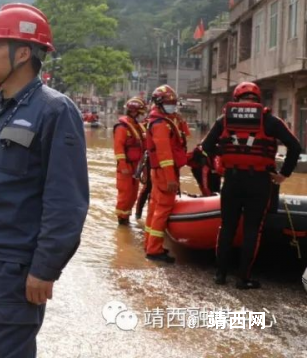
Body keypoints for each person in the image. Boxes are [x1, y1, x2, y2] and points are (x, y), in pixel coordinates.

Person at [0, 3, 89, 358]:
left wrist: (45, 269)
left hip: (12, 269)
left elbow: (67, 201)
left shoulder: (55, 111)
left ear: (24, 53)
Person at [201, 81, 302, 289]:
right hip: (259, 182)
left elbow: (207, 146)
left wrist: (226, 155)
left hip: (232, 180)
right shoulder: (270, 120)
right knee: (252, 230)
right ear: (258, 99)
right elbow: (295, 146)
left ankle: (220, 275)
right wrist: (284, 174)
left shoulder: (224, 119)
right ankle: (243, 279)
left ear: (236, 99)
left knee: (227, 227)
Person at [142, 84, 191, 263]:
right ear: (160, 103)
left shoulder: (165, 120)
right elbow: (164, 154)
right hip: (165, 173)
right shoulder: (160, 124)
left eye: (174, 102)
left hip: (159, 172)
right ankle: (154, 250)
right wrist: (171, 178)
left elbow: (185, 136)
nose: (172, 105)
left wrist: (179, 119)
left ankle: (149, 244)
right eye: (169, 102)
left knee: (154, 208)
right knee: (162, 210)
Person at [114, 97, 147, 225]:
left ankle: (127, 218)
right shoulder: (122, 127)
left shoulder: (138, 127)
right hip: (126, 167)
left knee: (133, 195)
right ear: (134, 112)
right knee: (125, 195)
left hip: (136, 166)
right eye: (141, 113)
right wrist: (123, 165)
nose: (143, 116)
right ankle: (122, 222)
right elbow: (118, 148)